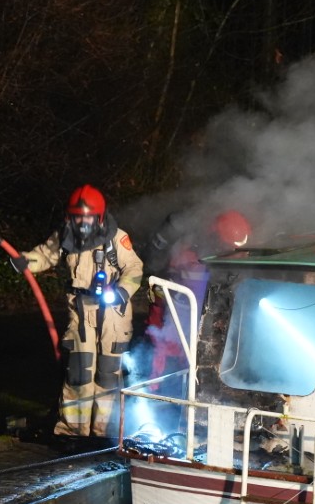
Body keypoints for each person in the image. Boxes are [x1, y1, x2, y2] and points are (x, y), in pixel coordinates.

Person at [12, 185, 146, 438]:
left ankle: (104, 433)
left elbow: (135, 269)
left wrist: (121, 292)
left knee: (108, 373)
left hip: (113, 315)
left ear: (100, 217)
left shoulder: (117, 238)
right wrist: (24, 260)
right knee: (79, 373)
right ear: (70, 217)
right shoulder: (65, 236)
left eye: (88, 217)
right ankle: (72, 432)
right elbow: (44, 255)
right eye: (78, 217)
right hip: (80, 312)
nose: (83, 223)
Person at [142, 209, 250, 389]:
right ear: (217, 241)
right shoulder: (188, 256)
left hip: (203, 325)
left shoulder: (229, 258)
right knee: (162, 371)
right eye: (232, 249)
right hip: (177, 321)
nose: (238, 255)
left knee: (196, 376)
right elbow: (167, 293)